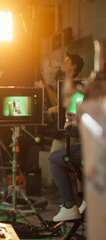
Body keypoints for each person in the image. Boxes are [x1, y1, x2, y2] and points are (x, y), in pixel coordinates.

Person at [48, 52, 85, 222]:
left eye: (67, 60)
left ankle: (71, 204)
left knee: (59, 160)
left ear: (74, 65)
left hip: (77, 133)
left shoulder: (79, 86)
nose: (63, 62)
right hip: (68, 130)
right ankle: (80, 201)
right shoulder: (66, 83)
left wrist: (72, 125)